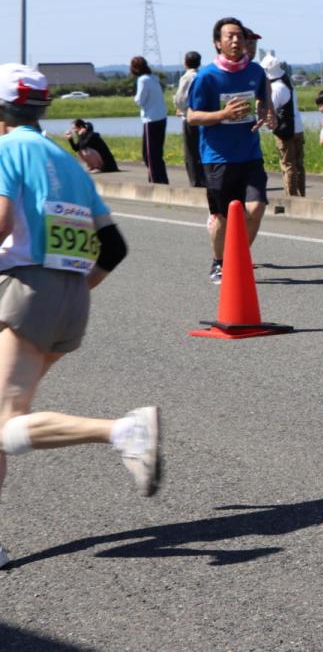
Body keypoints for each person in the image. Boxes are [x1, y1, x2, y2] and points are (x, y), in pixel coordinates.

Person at [0, 64, 155, 569]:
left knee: (6, 422)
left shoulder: (6, 150)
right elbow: (113, 245)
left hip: (27, 289)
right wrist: (72, 285)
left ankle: (121, 430)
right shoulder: (65, 161)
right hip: (69, 296)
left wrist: (43, 283)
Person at [186, 16, 277, 284]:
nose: (236, 41)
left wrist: (266, 111)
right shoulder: (206, 77)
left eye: (240, 36)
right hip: (218, 157)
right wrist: (223, 113)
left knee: (257, 207)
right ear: (218, 43)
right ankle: (218, 262)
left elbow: (264, 93)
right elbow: (192, 117)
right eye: (230, 36)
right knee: (222, 218)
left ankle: (236, 259)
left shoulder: (255, 71)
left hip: (250, 153)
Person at [262, 54, 306, 197]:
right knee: (299, 165)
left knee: (288, 165)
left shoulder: (276, 88)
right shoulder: (288, 84)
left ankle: (291, 198)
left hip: (285, 131)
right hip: (298, 128)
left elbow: (270, 109)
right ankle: (301, 194)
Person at [131, 56, 168, 184]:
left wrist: (134, 98)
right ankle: (162, 179)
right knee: (157, 153)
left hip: (150, 119)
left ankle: (154, 181)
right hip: (161, 117)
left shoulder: (142, 80)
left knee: (149, 155)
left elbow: (140, 100)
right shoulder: (154, 78)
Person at [174, 51, 206, 187]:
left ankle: (195, 180)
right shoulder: (203, 76)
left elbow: (180, 99)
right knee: (202, 148)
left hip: (189, 117)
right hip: (204, 117)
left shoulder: (186, 78)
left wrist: (180, 108)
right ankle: (205, 177)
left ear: (185, 63)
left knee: (191, 151)